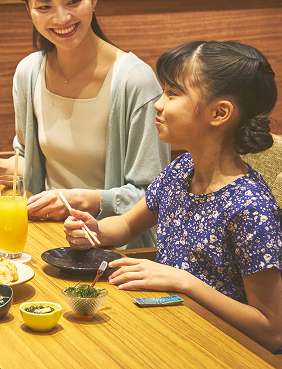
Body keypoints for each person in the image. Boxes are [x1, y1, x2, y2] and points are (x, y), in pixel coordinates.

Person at [64, 41, 282, 353]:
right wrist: (94, 231)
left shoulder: (249, 206)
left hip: (216, 350)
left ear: (219, 113)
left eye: (172, 93)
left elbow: (273, 331)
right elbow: (126, 225)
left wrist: (183, 281)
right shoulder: (181, 170)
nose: (158, 103)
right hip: (166, 327)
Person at [0, 0, 169, 247]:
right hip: (49, 238)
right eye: (44, 6)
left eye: (73, 2)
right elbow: (29, 160)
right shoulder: (29, 73)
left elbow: (156, 195)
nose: (61, 19)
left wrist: (86, 200)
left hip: (119, 252)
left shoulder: (135, 81)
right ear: (28, 9)